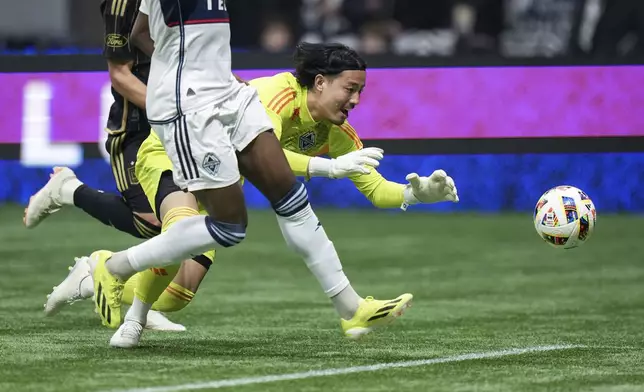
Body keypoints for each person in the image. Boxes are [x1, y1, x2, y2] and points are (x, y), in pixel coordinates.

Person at [46, 42, 460, 346]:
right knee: (182, 229)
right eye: (349, 88)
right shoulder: (277, 96)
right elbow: (263, 153)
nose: (355, 100)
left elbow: (374, 188)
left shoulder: (336, 130)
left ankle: (98, 275)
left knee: (178, 296)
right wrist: (326, 167)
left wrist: (414, 194)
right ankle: (127, 306)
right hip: (173, 156)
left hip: (219, 174)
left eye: (360, 92)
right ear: (319, 82)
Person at [23, 0, 215, 332]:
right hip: (139, 128)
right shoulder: (123, 4)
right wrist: (173, 106)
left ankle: (133, 294)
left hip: (187, 126)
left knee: (184, 275)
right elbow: (120, 74)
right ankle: (70, 194)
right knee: (158, 225)